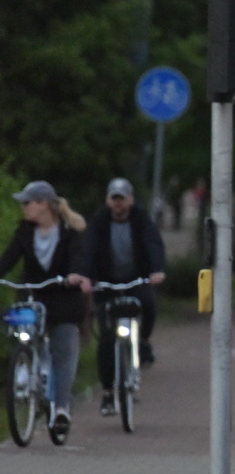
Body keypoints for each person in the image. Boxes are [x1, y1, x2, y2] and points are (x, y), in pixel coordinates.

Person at [0, 180, 92, 438]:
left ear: (43, 205)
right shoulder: (24, 232)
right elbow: (8, 259)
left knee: (63, 353)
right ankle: (25, 370)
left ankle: (61, 409)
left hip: (63, 300)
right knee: (22, 334)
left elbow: (79, 257)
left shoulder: (69, 232)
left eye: (28, 203)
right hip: (33, 296)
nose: (24, 208)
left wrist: (75, 274)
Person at [81, 177, 166, 416]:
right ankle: (108, 392)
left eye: (122, 198)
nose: (118, 204)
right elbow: (88, 249)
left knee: (147, 303)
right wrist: (86, 277)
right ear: (108, 200)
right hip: (106, 283)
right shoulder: (99, 222)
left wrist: (156, 269)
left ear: (131, 200)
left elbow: (153, 244)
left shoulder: (141, 220)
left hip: (135, 279)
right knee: (106, 338)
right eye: (114, 198)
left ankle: (144, 342)